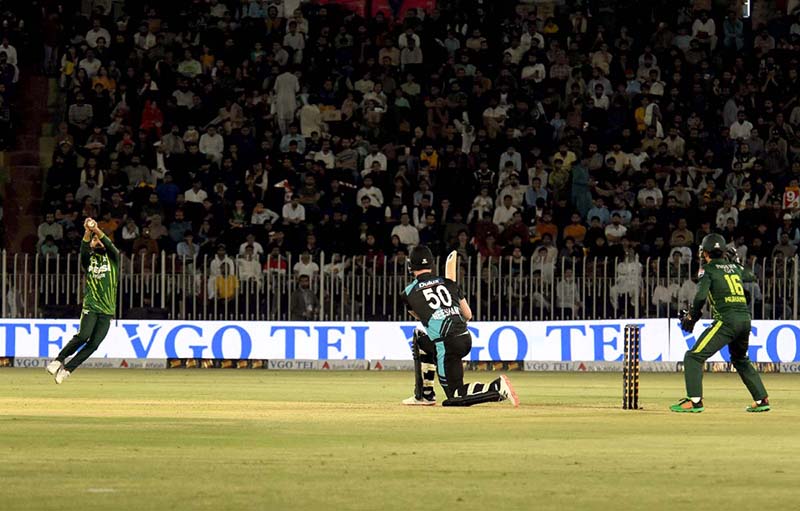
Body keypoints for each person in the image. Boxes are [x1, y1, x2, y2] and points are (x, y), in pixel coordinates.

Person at [399, 245, 519, 407]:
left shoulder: (408, 292)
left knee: (453, 398)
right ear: (431, 264)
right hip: (464, 337)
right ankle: (424, 395)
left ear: (410, 266)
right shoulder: (449, 283)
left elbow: (421, 316)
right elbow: (468, 315)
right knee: (421, 341)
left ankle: (496, 387)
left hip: (446, 344)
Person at [672, 234, 770, 413]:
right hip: (745, 320)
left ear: (705, 252)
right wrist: (737, 262)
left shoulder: (708, 270)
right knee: (740, 359)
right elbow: (751, 276)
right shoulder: (735, 268)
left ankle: (694, 401)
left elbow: (701, 297)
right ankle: (761, 398)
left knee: (693, 357)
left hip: (727, 321)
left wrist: (692, 318)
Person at [46, 218, 119, 384]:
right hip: (91, 306)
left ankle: (67, 370)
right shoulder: (89, 260)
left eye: (100, 239)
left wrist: (96, 229)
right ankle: (58, 360)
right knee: (83, 336)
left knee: (94, 345)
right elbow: (83, 248)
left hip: (107, 310)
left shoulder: (113, 259)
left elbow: (110, 245)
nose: (98, 241)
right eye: (95, 241)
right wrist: (88, 230)